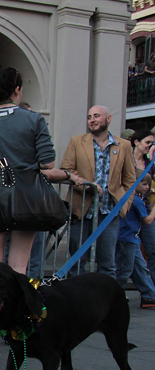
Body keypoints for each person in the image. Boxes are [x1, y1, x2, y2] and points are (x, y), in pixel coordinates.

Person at [0, 67, 78, 342]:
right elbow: (47, 163)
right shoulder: (33, 120)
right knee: (19, 266)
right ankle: (15, 327)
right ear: (17, 89)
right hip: (26, 197)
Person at [61, 105, 136, 277]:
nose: (92, 120)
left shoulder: (123, 145)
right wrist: (88, 185)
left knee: (107, 264)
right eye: (89, 117)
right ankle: (76, 300)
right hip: (81, 211)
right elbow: (67, 170)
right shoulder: (77, 141)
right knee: (76, 262)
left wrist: (124, 205)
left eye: (96, 116)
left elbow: (130, 180)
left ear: (108, 119)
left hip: (109, 212)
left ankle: (105, 302)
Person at [115, 175, 155, 308]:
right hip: (127, 239)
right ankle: (116, 296)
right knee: (124, 271)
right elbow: (148, 220)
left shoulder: (128, 198)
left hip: (132, 238)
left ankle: (149, 296)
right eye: (143, 184)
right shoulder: (136, 200)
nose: (147, 187)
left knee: (140, 268)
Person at [128, 130, 155, 293]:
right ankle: (148, 291)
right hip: (128, 212)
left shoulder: (150, 163)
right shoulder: (126, 159)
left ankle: (151, 289)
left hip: (145, 210)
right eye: (148, 142)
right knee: (129, 250)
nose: (150, 146)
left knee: (152, 249)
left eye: (152, 143)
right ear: (137, 142)